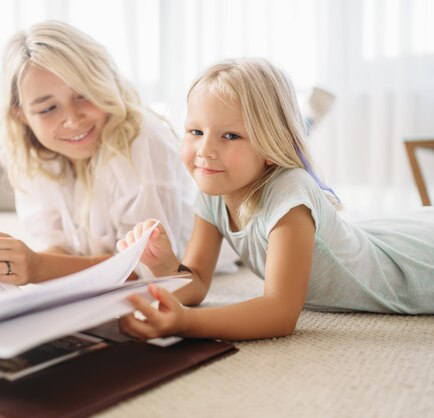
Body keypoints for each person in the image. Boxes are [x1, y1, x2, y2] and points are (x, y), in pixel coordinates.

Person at [116, 57, 434, 341]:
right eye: (196, 132)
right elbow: (197, 283)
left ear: (270, 145)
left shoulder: (290, 194)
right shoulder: (215, 190)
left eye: (230, 136)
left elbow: (280, 312)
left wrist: (187, 323)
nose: (205, 150)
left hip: (413, 269)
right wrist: (164, 265)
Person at [0, 21, 238, 282]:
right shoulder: (34, 158)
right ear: (21, 116)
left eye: (84, 95)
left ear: (105, 84)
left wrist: (39, 266)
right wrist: (0, 259)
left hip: (194, 260)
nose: (72, 119)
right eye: (47, 109)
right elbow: (60, 249)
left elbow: (146, 269)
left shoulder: (141, 140)